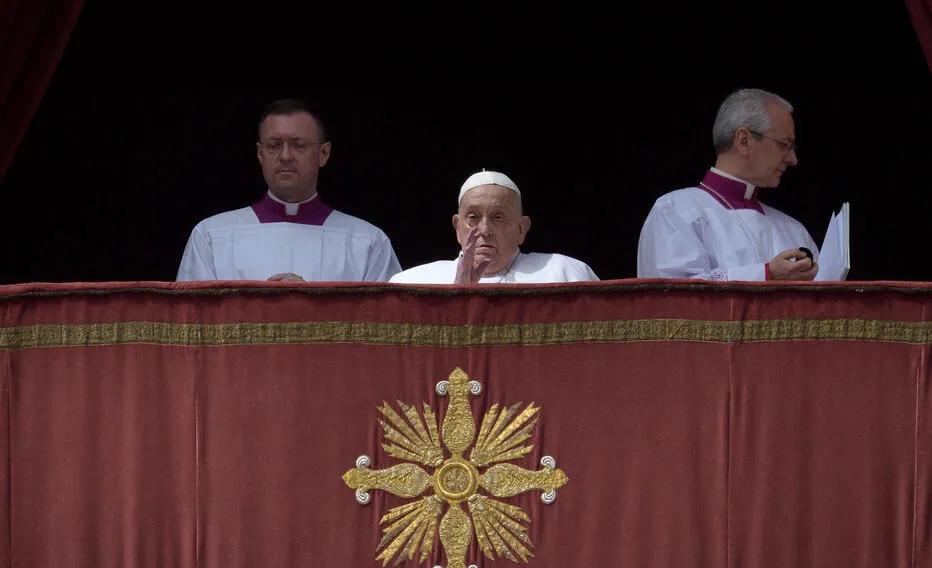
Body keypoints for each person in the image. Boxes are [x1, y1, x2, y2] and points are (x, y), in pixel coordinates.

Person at [176, 98, 401, 282]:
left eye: (298, 145)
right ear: (260, 153)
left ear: (323, 154)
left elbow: (385, 331)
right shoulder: (212, 237)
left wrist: (308, 306)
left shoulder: (367, 242)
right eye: (274, 145)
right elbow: (191, 328)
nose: (285, 156)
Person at [637, 88, 819, 282]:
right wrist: (766, 274)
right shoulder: (675, 210)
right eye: (785, 145)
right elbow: (676, 296)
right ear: (744, 141)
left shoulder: (794, 229)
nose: (793, 159)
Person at [389, 170, 598, 284]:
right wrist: (456, 298)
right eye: (473, 217)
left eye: (498, 217)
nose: (485, 230)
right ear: (457, 228)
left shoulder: (566, 274)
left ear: (521, 229)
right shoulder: (412, 283)